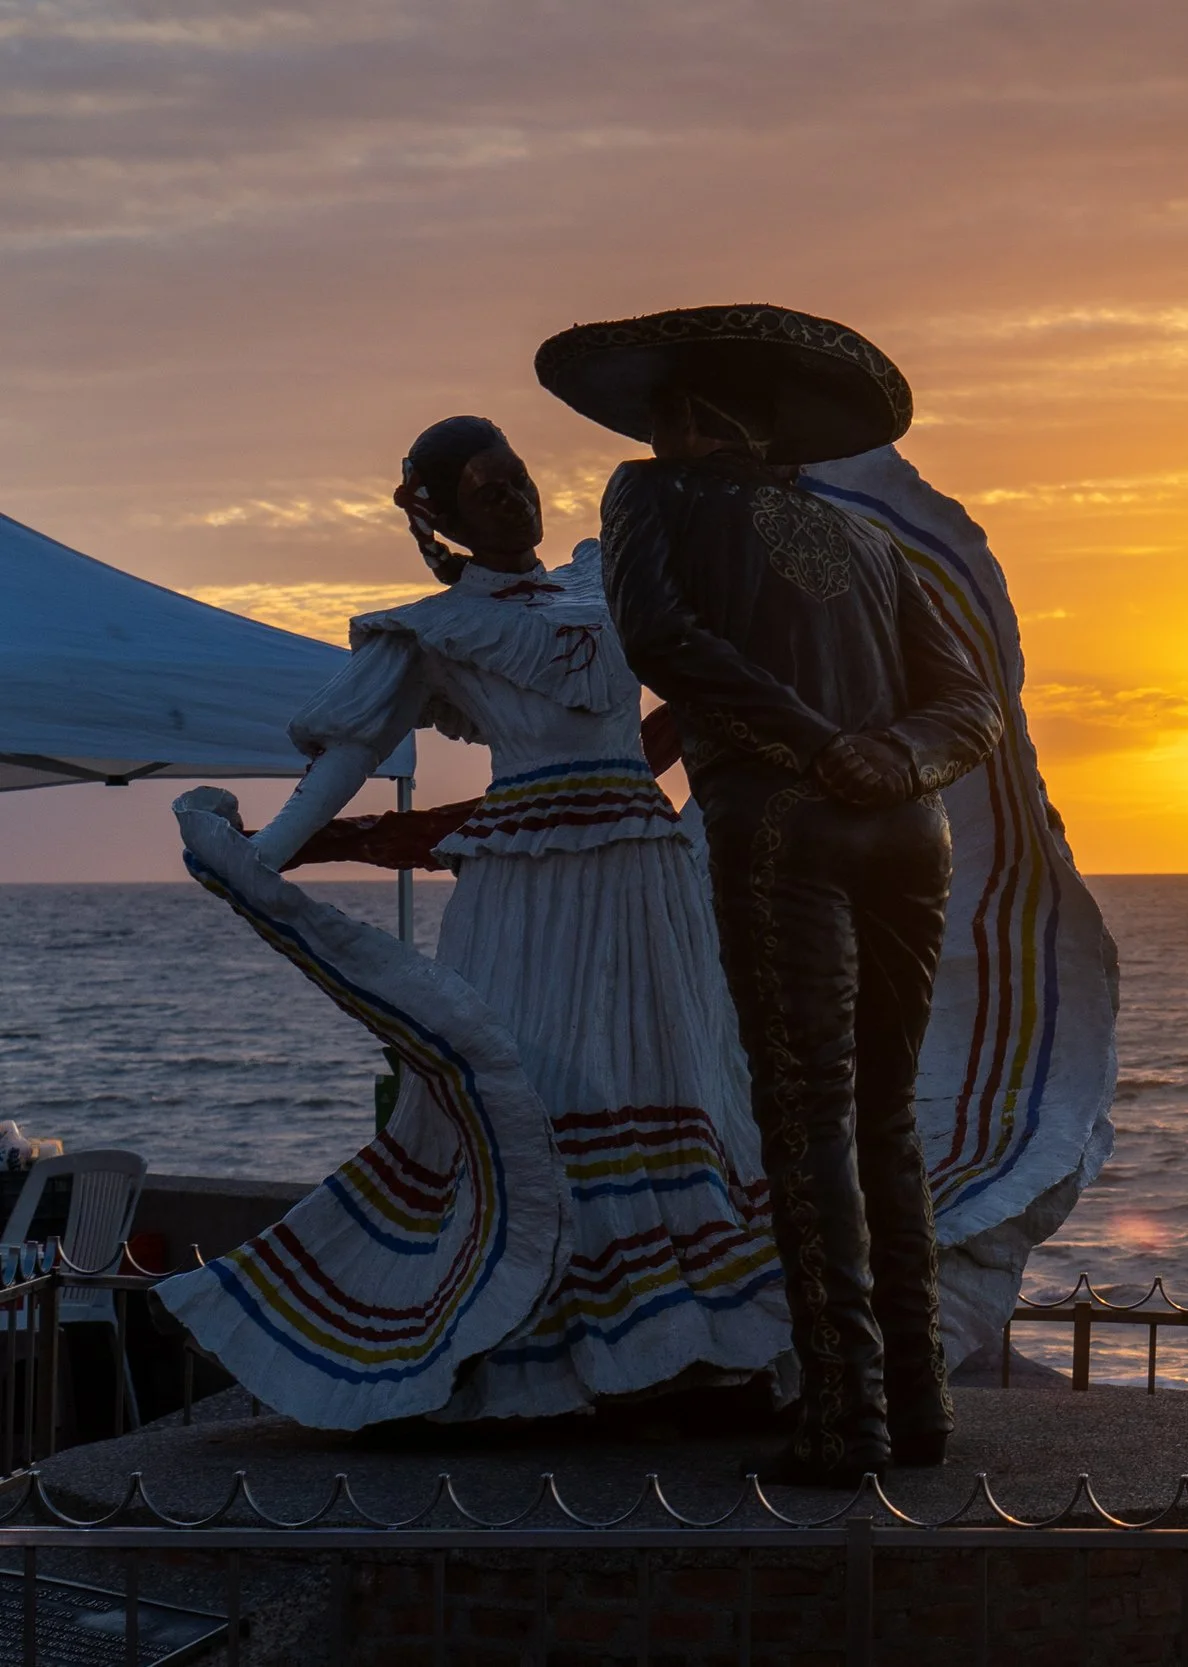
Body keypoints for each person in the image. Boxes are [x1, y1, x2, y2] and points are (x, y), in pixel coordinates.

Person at [160, 417, 788, 1430]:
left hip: (641, 865)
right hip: (531, 884)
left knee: (672, 1079)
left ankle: (692, 1347)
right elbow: (348, 750)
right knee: (542, 1090)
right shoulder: (432, 627)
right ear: (443, 514)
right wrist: (264, 852)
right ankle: (549, 1351)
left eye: (522, 480)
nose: (518, 501)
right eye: (489, 490)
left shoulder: (608, 577)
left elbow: (714, 660)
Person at [537, 305, 1003, 1485]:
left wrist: (820, 748)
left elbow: (662, 637)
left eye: (664, 412)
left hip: (784, 821)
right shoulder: (871, 544)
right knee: (885, 1113)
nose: (652, 430)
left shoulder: (650, 498)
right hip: (907, 830)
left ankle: (848, 1415)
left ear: (695, 417)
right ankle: (919, 1395)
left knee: (810, 1117)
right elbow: (969, 703)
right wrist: (890, 759)